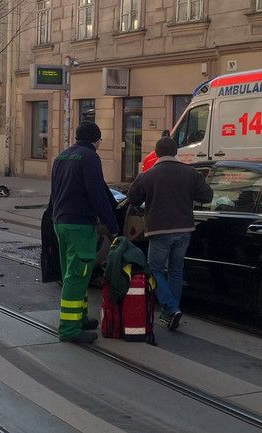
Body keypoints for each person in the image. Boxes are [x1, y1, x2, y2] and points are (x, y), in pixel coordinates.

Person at [126, 136, 212, 331]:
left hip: (159, 230)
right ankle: (169, 313)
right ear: (175, 152)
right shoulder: (190, 173)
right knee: (176, 271)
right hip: (184, 229)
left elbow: (132, 199)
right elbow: (207, 196)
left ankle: (171, 308)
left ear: (157, 153)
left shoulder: (148, 175)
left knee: (154, 269)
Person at [50, 120, 119, 344]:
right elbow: (97, 193)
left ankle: (80, 317)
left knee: (72, 273)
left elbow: (56, 191)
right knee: (78, 275)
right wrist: (113, 226)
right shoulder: (90, 157)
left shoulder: (62, 157)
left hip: (60, 221)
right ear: (95, 139)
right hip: (80, 224)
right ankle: (69, 328)